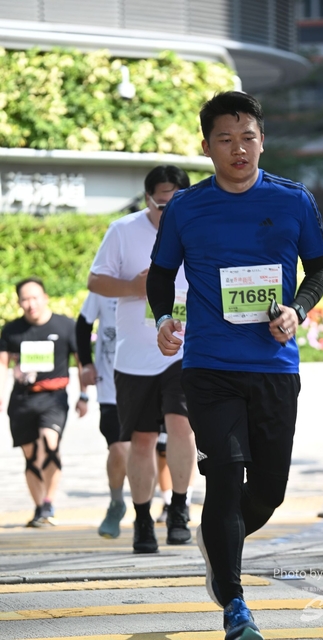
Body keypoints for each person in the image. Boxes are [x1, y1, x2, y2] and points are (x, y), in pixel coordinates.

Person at [147, 91, 323, 640]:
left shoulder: (293, 199)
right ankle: (235, 605)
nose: (238, 148)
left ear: (262, 141)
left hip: (275, 365)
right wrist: (164, 319)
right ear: (206, 147)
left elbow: (319, 268)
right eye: (225, 139)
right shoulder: (186, 207)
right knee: (225, 478)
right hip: (210, 367)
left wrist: (297, 310)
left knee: (269, 490)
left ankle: (218, 543)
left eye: (247, 137)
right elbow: (161, 275)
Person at [87, 164, 196, 553]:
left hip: (183, 349)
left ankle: (179, 509)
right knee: (143, 438)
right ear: (148, 199)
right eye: (162, 205)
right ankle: (143, 519)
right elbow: (96, 281)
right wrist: (135, 287)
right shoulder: (123, 231)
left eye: (176, 204)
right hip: (135, 354)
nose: (168, 213)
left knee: (182, 426)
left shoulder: (197, 228)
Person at [0, 277, 88, 527]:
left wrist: (83, 395)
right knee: (31, 455)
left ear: (45, 297)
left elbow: (81, 361)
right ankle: (39, 507)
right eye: (25, 299)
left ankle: (49, 501)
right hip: (22, 400)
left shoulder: (65, 325)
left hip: (54, 397)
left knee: (49, 445)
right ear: (19, 302)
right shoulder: (11, 330)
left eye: (35, 298)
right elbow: (3, 364)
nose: (31, 304)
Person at [76, 292, 130, 538]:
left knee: (149, 450)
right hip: (110, 388)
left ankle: (160, 508)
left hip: (151, 381)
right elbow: (82, 325)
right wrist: (86, 363)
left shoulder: (161, 278)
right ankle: (117, 502)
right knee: (118, 448)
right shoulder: (103, 285)